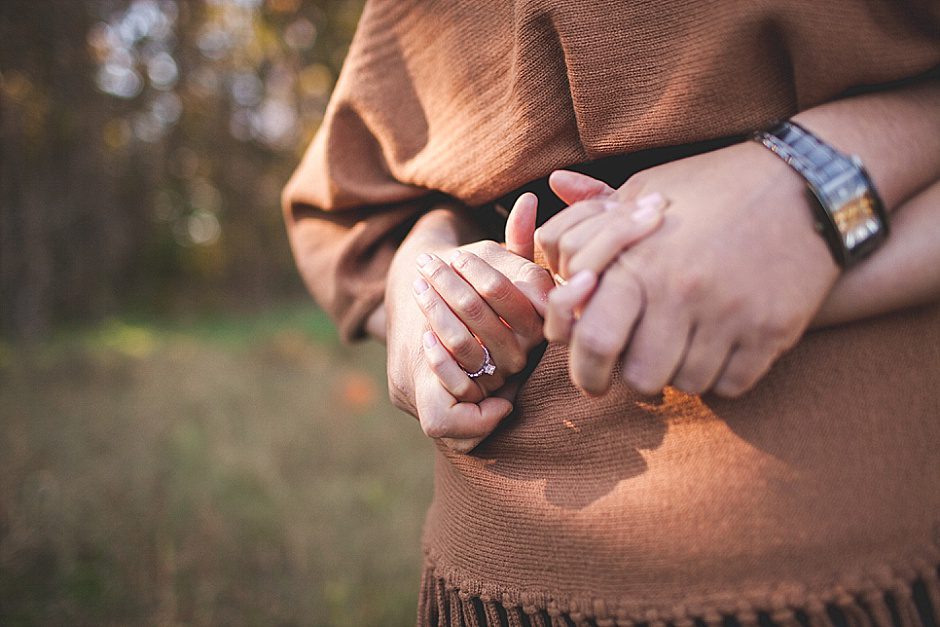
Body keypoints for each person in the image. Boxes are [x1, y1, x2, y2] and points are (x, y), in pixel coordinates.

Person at [283, 1, 940, 625]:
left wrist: (817, 182)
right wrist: (422, 289)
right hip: (495, 581)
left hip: (863, 557)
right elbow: (360, 206)